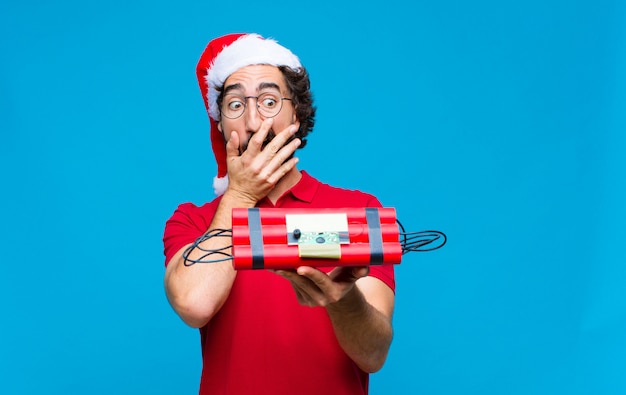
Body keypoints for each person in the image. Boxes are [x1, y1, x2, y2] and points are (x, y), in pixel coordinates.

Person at [162, 33, 395, 395]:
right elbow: (194, 304)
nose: (253, 121)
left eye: (269, 101)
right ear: (219, 123)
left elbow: (373, 354)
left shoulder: (360, 212)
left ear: (297, 114)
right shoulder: (192, 221)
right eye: (235, 105)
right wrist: (240, 194)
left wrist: (342, 298)